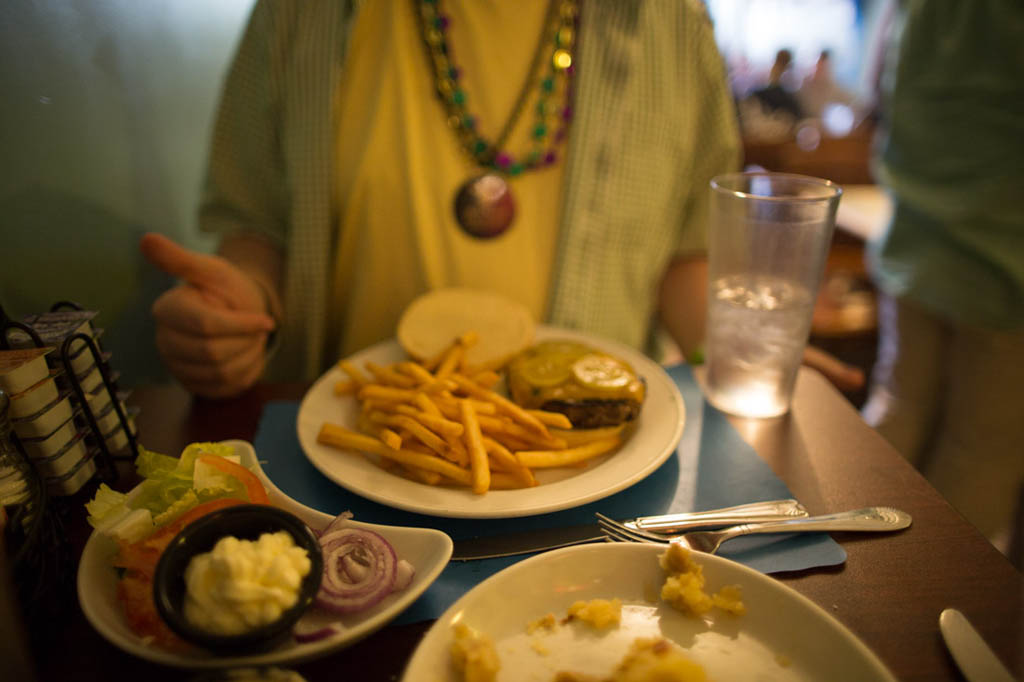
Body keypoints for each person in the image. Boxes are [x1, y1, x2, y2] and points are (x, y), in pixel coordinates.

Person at [141, 0, 863, 400]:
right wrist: (240, 304)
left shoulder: (670, 21)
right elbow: (255, 223)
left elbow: (682, 254)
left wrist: (743, 353)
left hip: (598, 468)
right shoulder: (301, 17)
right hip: (351, 457)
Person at [861, 0, 1024, 558]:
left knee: (896, 414)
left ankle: (849, 587)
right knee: (978, 460)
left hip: (917, 238)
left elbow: (876, 86)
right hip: (1009, 258)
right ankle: (929, 623)